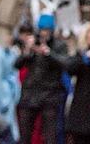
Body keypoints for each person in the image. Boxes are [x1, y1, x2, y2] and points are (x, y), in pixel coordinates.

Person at [15, 14, 68, 144]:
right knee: (25, 135)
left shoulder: (59, 45)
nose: (44, 33)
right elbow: (17, 64)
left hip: (50, 96)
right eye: (42, 29)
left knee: (50, 136)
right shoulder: (33, 43)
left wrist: (48, 54)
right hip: (30, 95)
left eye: (47, 30)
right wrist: (28, 50)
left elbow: (65, 64)